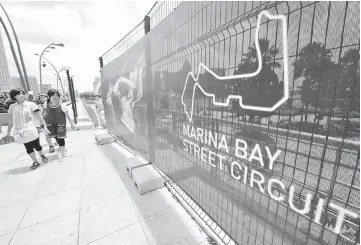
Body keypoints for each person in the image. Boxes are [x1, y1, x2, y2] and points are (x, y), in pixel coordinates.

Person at [6, 88, 49, 170]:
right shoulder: (12, 107)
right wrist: (8, 132)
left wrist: (45, 127)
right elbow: (11, 120)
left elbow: (40, 117)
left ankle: (42, 154)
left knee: (37, 145)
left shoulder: (31, 104)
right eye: (18, 94)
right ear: (14, 97)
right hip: (19, 131)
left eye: (22, 93)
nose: (22, 95)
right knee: (28, 146)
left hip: (31, 129)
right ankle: (35, 161)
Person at [45, 89, 75, 161]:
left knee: (61, 138)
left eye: (57, 95)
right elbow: (44, 114)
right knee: (55, 137)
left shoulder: (62, 105)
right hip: (50, 125)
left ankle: (60, 153)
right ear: (49, 96)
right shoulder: (46, 104)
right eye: (53, 95)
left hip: (60, 125)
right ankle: (63, 148)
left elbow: (67, 115)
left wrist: (72, 123)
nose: (55, 97)